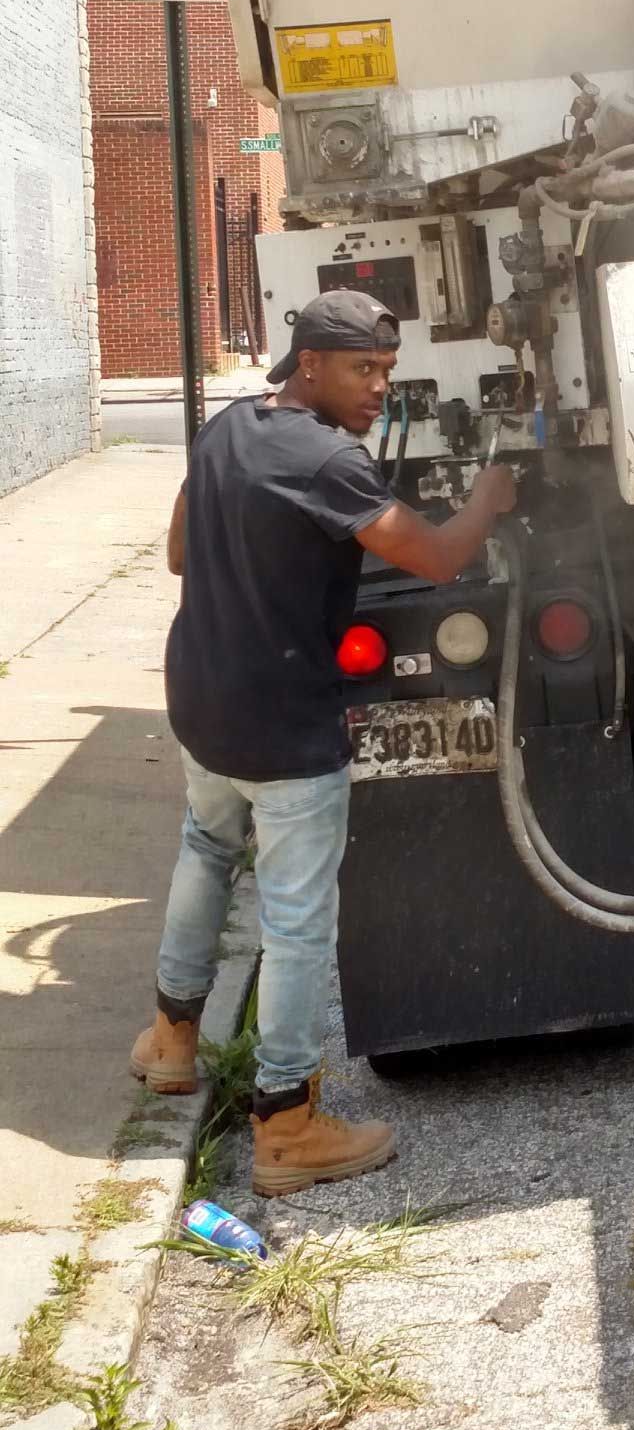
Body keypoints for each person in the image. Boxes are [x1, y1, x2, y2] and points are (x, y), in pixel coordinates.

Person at [129, 290, 516, 1197]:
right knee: (297, 921)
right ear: (309, 364)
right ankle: (288, 1124)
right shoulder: (332, 462)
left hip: (201, 699)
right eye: (361, 370)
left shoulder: (227, 428)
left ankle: (172, 1043)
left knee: (206, 849)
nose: (379, 387)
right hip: (284, 725)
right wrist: (488, 500)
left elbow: (180, 551)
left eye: (386, 371)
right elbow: (437, 558)